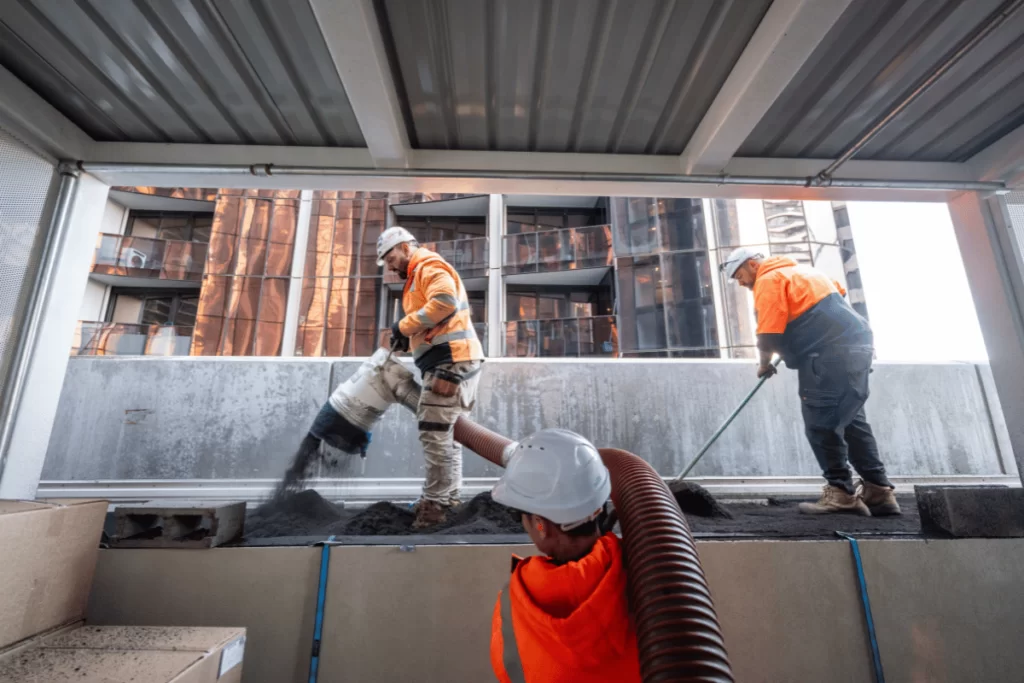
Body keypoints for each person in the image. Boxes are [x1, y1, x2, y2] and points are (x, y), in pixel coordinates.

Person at [720, 247, 900, 517]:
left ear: (753, 265)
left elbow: (768, 331)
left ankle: (841, 494)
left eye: (740, 275)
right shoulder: (807, 272)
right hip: (857, 348)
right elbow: (834, 301)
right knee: (851, 422)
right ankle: (878, 491)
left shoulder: (769, 279)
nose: (741, 282)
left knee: (820, 424)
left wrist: (764, 363)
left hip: (827, 356)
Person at [488, 429, 641, 683]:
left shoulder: (514, 604)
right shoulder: (647, 571)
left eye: (520, 516)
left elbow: (507, 672)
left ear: (541, 524)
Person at [378, 226, 484, 528]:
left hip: (450, 361)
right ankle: (448, 499)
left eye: (391, 257)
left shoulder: (428, 265)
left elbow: (445, 302)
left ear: (406, 247)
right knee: (449, 434)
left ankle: (434, 506)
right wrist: (405, 337)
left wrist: (403, 327)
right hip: (453, 359)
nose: (390, 265)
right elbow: (429, 318)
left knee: (434, 430)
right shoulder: (416, 277)